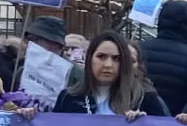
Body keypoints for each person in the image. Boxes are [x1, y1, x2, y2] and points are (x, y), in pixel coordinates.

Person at [17, 31, 169, 120]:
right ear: (89, 58)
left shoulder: (143, 98)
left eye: (116, 59)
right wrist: (31, 119)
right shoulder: (68, 97)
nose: (108, 65)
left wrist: (146, 125)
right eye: (101, 57)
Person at [12, 15, 83, 90]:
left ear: (55, 44)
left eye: (36, 39)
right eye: (30, 39)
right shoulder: (23, 71)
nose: (31, 44)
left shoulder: (76, 75)